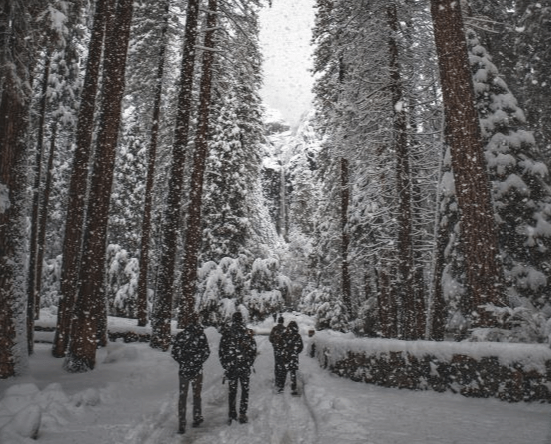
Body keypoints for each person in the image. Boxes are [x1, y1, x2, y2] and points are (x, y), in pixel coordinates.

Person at [171, 312, 210, 434]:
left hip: (184, 371)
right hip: (197, 371)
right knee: (196, 395)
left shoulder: (182, 335)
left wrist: (183, 362)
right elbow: (206, 352)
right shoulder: (201, 335)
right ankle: (197, 417)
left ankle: (182, 423)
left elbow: (174, 352)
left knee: (183, 396)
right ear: (197, 321)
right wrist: (198, 362)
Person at [218, 311, 257, 425]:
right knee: (245, 390)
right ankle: (242, 413)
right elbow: (253, 350)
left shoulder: (227, 334)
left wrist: (226, 365)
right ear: (241, 319)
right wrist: (249, 362)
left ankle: (232, 414)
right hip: (244, 367)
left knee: (232, 391)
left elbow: (221, 351)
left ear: (233, 319)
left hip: (232, 367)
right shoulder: (246, 333)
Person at [282, 320, 303, 395]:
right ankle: (293, 387)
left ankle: (281, 386)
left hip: (286, 355)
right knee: (293, 372)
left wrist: (284, 350)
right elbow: (301, 347)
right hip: (294, 356)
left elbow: (281, 343)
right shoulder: (297, 336)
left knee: (284, 370)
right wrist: (296, 352)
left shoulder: (285, 334)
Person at [269, 316, 286, 392]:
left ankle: (277, 381)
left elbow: (270, 339)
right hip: (284, 350)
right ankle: (282, 383)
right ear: (283, 321)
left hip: (276, 349)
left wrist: (274, 343)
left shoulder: (274, 329)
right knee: (283, 365)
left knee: (277, 364)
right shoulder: (285, 329)